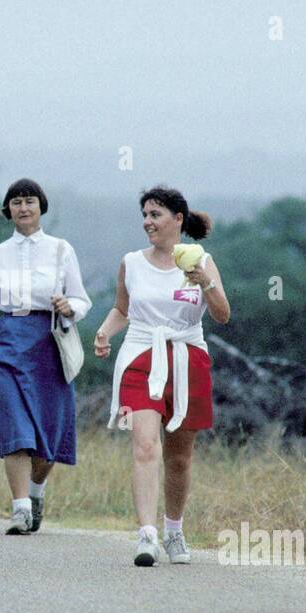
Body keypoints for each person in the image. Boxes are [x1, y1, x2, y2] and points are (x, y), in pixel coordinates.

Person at [93, 186, 230, 566]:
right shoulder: (131, 263)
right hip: (141, 356)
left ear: (178, 219)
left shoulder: (200, 260)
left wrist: (204, 280)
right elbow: (122, 309)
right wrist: (105, 332)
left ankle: (173, 530)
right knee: (145, 446)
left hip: (187, 358)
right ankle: (146, 535)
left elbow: (222, 314)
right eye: (145, 215)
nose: (148, 222)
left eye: (155, 214)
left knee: (180, 457)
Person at [0, 179, 92, 534]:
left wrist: (70, 307)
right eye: (16, 202)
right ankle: (19, 508)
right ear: (8, 211)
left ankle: (35, 493)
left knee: (48, 437)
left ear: (40, 206)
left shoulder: (61, 250)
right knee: (15, 427)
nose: (23, 208)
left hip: (49, 342)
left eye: (29, 201)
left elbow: (82, 299)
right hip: (7, 343)